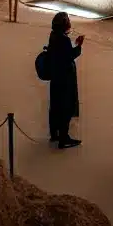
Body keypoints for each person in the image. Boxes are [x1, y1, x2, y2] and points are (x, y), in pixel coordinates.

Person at [44, 12, 84, 149]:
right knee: (65, 107)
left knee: (55, 105)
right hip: (65, 79)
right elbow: (69, 56)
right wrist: (78, 45)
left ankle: (54, 133)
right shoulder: (64, 39)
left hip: (56, 77)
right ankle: (63, 138)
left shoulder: (53, 35)